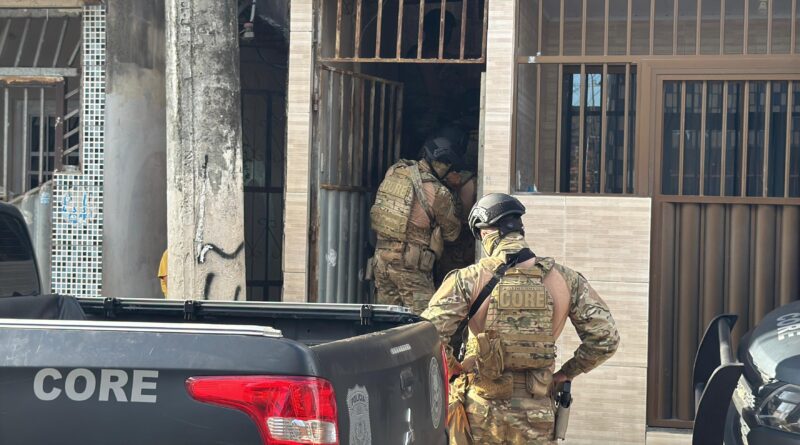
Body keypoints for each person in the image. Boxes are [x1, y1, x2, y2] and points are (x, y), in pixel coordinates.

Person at [421, 193, 620, 444]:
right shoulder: (567, 280)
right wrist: (566, 373)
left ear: (486, 233)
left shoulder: (468, 279)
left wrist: (455, 369)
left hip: (481, 411)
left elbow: (427, 334)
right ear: (519, 230)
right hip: (537, 414)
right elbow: (606, 339)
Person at [369, 136, 462, 314]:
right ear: (443, 164)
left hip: (381, 261)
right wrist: (454, 192)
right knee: (424, 320)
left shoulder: (394, 171)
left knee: (386, 318)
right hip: (410, 266)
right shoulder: (439, 191)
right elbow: (452, 233)